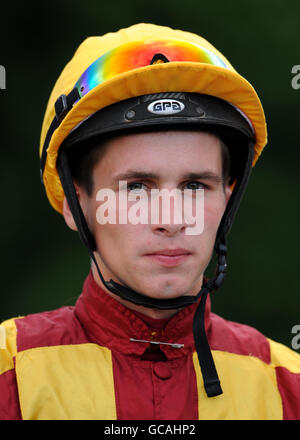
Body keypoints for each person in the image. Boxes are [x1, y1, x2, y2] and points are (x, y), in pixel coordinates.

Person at [0, 23, 299, 421]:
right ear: (75, 204)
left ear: (227, 202)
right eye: (137, 187)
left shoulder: (289, 385)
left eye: (195, 185)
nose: (172, 219)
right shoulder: (10, 372)